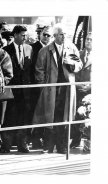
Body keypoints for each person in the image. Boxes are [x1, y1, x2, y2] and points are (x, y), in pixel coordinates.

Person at [32, 23, 83, 154]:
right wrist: (44, 86)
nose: (64, 37)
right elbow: (39, 70)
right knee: (50, 117)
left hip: (66, 89)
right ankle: (49, 145)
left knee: (64, 117)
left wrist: (72, 65)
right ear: (54, 36)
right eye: (61, 34)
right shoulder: (45, 50)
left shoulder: (71, 48)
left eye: (65, 34)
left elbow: (79, 64)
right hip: (51, 90)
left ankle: (62, 146)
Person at [2, 25, 33, 153]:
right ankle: (7, 145)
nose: (24, 38)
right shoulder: (6, 50)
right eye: (22, 35)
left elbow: (29, 69)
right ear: (15, 35)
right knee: (10, 117)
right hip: (11, 89)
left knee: (23, 117)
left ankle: (22, 143)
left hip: (25, 91)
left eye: (25, 35)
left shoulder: (29, 48)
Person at [30, 26, 53, 149]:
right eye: (44, 34)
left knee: (46, 114)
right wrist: (40, 85)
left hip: (48, 88)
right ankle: (35, 140)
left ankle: (43, 139)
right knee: (37, 115)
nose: (46, 37)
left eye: (49, 35)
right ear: (40, 34)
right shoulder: (33, 47)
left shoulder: (52, 48)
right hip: (37, 87)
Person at [70, 32, 92, 148]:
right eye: (87, 39)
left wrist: (90, 86)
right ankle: (76, 140)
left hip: (90, 91)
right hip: (78, 89)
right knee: (76, 114)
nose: (88, 41)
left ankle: (88, 141)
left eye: (91, 40)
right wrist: (77, 85)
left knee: (88, 115)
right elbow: (74, 71)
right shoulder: (78, 54)